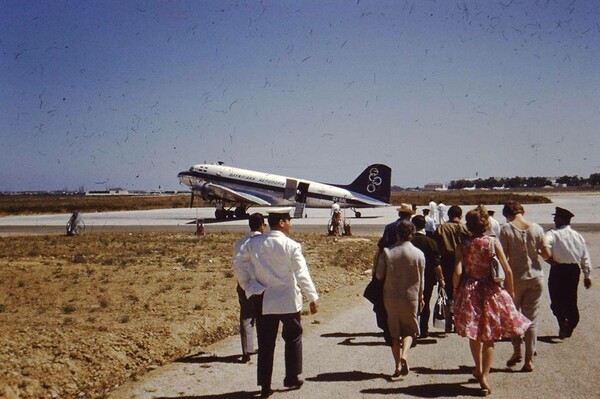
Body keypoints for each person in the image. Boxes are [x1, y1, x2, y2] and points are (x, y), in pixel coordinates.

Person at [233, 207, 319, 399]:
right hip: (288, 300)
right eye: (289, 220)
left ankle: (265, 385)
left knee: (265, 344)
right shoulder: (291, 246)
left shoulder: (254, 243)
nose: (290, 224)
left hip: (264, 299)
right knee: (294, 337)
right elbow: (302, 273)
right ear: (281, 222)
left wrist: (248, 285)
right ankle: (291, 376)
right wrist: (312, 297)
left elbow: (238, 262)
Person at [453, 205, 531, 396]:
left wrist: (456, 290)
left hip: (470, 289)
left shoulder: (463, 245)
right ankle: (484, 375)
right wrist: (510, 291)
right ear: (485, 224)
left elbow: (458, 272)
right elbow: (508, 269)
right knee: (489, 336)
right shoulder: (492, 242)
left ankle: (478, 368)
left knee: (474, 333)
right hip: (489, 289)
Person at [499, 202, 551, 372]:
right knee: (531, 320)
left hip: (515, 278)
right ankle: (529, 360)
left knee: (514, 317)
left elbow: (504, 256)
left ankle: (517, 351)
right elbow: (547, 254)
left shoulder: (506, 229)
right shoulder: (536, 228)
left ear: (507, 214)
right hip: (536, 276)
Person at [375, 220, 424, 378]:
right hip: (411, 296)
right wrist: (421, 296)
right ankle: (405, 354)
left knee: (394, 332)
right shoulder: (418, 254)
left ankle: (397, 366)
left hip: (391, 296)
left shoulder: (388, 252)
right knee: (409, 329)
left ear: (397, 233)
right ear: (412, 233)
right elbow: (422, 280)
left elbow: (379, 275)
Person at [545, 207, 593, 339]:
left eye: (556, 217)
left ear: (561, 219)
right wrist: (587, 276)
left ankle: (564, 323)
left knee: (556, 300)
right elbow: (585, 257)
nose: (554, 219)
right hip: (573, 270)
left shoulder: (552, 234)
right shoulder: (577, 236)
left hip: (558, 269)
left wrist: (548, 259)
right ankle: (569, 324)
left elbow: (543, 246)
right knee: (571, 300)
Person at [232, 213, 266, 363]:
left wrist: (244, 284)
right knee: (263, 317)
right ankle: (264, 346)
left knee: (246, 317)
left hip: (245, 284)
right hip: (262, 284)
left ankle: (246, 351)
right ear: (262, 225)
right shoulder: (264, 242)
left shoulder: (240, 243)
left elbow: (237, 264)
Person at [433, 205, 468, 332]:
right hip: (462, 262)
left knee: (445, 291)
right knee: (461, 291)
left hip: (445, 261)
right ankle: (459, 322)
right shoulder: (465, 228)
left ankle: (448, 320)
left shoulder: (441, 228)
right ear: (460, 215)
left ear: (448, 215)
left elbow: (436, 246)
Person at [411, 215, 444, 338]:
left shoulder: (409, 241)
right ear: (424, 225)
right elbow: (437, 264)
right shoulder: (430, 242)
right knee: (426, 302)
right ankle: (424, 329)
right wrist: (441, 279)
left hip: (411, 278)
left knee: (412, 304)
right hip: (428, 278)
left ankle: (412, 329)